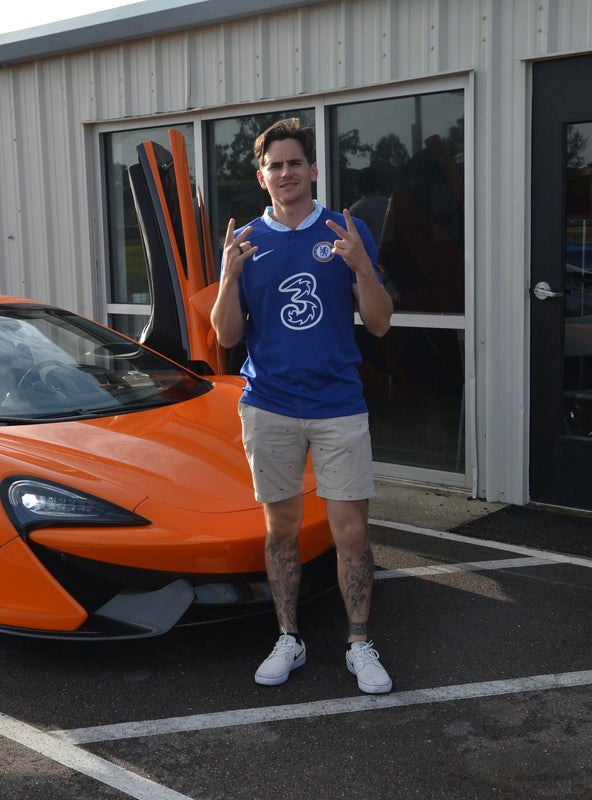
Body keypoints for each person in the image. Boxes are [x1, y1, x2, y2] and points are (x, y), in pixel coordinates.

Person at [210, 118, 394, 694]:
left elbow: (382, 324)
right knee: (281, 530)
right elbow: (227, 337)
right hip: (269, 406)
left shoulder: (346, 229)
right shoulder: (247, 244)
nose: (286, 173)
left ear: (313, 170)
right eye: (275, 165)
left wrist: (361, 266)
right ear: (261, 176)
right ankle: (289, 636)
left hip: (338, 406)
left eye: (296, 163)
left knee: (350, 533)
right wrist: (227, 277)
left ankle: (360, 643)